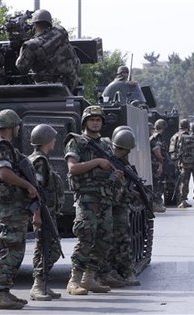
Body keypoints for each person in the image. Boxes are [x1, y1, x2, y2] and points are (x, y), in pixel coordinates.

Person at [0, 109, 41, 310]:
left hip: (9, 206)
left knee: (12, 248)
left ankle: (5, 292)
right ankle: (0, 293)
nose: (18, 130)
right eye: (17, 126)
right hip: (8, 207)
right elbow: (4, 173)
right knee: (11, 250)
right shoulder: (2, 146)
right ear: (12, 126)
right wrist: (27, 185)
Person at [64, 105, 123, 294]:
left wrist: (116, 175)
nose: (95, 122)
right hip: (87, 198)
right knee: (86, 238)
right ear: (85, 122)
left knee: (105, 239)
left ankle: (89, 278)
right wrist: (97, 162)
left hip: (105, 198)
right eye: (92, 119)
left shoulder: (106, 144)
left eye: (98, 120)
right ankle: (74, 280)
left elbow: (110, 169)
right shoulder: (77, 142)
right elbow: (72, 168)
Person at [28, 124, 64, 301]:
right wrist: (37, 214)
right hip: (43, 211)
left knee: (44, 247)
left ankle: (43, 284)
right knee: (51, 248)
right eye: (53, 138)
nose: (55, 141)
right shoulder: (39, 161)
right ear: (46, 141)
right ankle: (38, 285)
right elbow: (36, 189)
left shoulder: (41, 159)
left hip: (46, 211)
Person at [106, 128, 142, 286]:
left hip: (118, 204)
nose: (123, 152)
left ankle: (123, 271)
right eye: (121, 149)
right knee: (115, 238)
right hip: (108, 202)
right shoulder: (107, 158)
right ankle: (115, 270)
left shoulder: (122, 161)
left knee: (122, 237)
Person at [15, 9, 80, 93]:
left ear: (34, 25)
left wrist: (23, 48)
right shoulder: (61, 31)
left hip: (52, 90)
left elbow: (21, 68)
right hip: (72, 83)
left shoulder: (31, 45)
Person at [149, 119, 168, 212]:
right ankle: (157, 204)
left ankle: (155, 204)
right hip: (156, 164)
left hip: (153, 163)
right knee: (158, 185)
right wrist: (161, 163)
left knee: (156, 184)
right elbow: (157, 151)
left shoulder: (152, 136)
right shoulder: (157, 137)